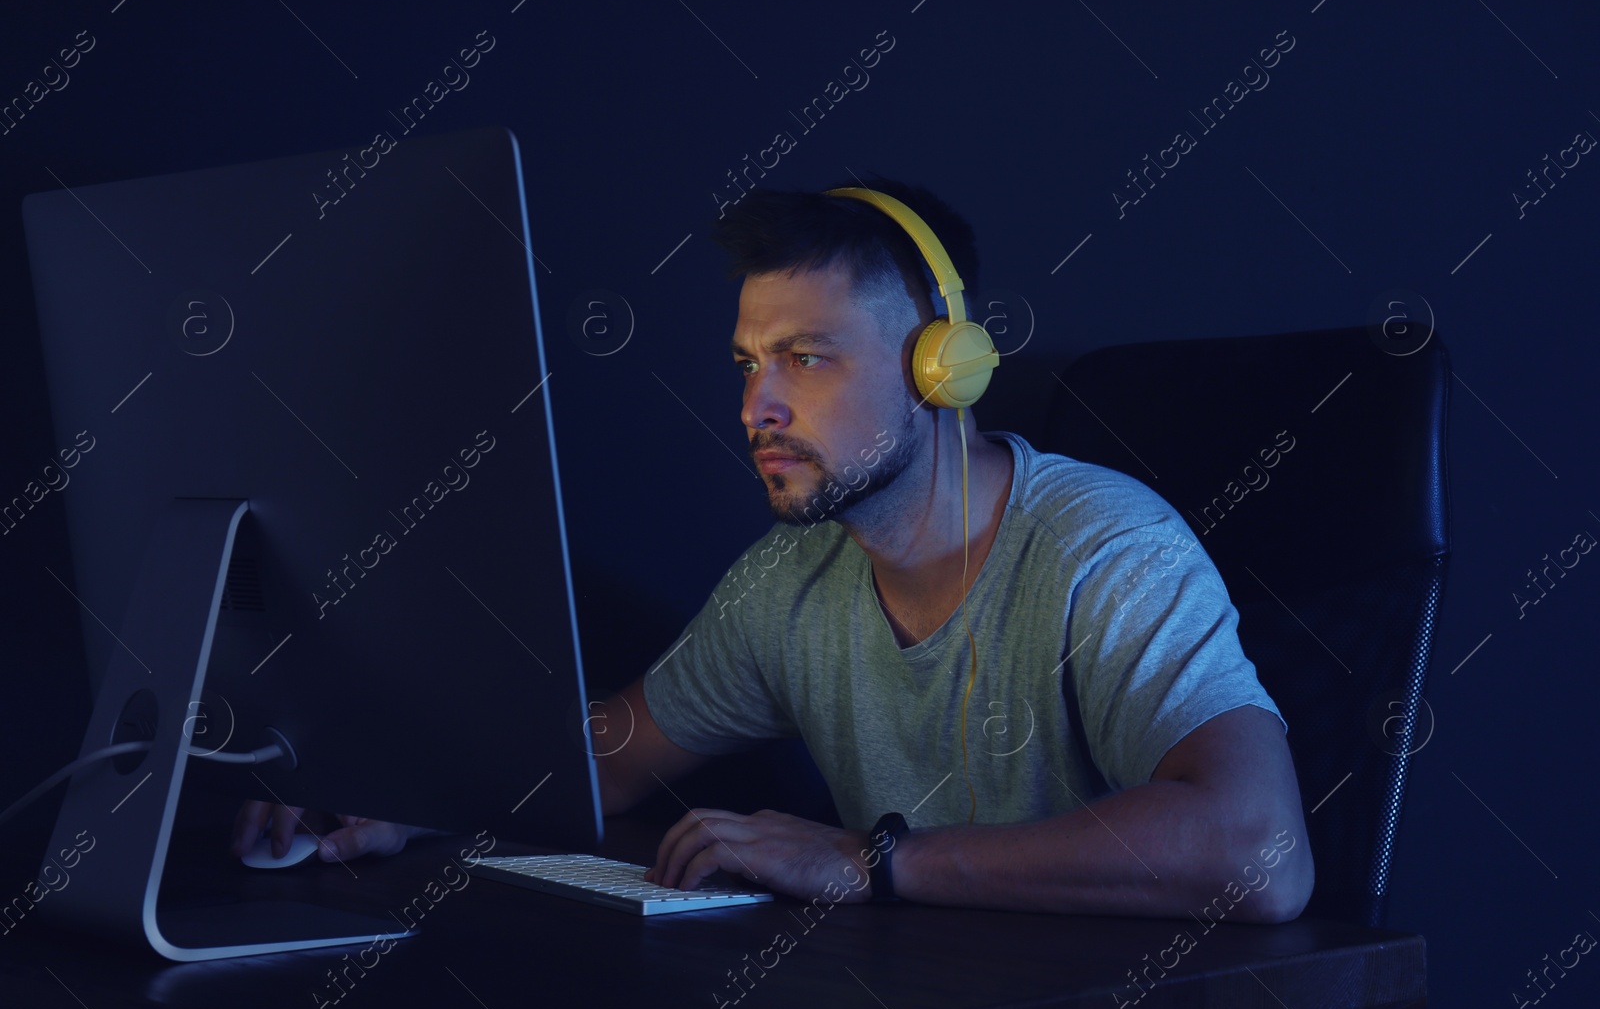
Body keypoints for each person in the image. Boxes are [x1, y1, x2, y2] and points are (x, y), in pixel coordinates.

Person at [237, 178, 1313, 922]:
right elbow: (610, 758)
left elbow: (1258, 852)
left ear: (943, 367)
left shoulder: (1103, 546)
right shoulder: (788, 581)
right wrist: (399, 791)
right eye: (749, 361)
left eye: (806, 357)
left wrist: (868, 861)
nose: (757, 403)